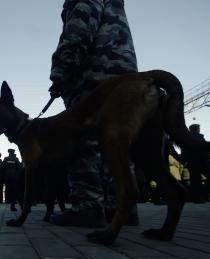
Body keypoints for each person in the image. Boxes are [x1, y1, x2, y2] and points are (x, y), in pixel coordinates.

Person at [49, 0, 138, 227]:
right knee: (116, 141)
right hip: (124, 78)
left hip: (94, 76)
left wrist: (61, 71)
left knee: (82, 140)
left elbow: (78, 30)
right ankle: (121, 207)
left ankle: (88, 207)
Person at [182, 124, 210, 203]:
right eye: (199, 128)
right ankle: (207, 197)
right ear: (197, 129)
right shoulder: (199, 137)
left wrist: (185, 161)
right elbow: (205, 149)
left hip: (192, 162)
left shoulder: (186, 138)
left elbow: (184, 150)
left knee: (195, 180)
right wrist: (209, 158)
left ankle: (196, 198)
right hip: (203, 161)